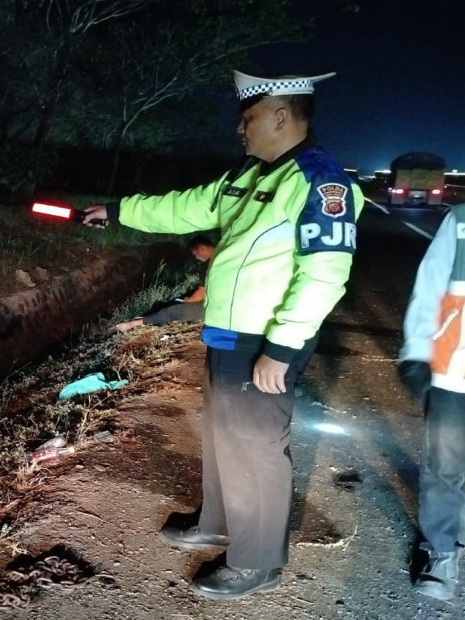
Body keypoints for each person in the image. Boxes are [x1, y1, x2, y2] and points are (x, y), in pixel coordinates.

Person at [82, 70, 363, 600]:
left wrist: (282, 349)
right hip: (228, 333)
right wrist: (119, 210)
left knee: (256, 449)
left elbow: (325, 273)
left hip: (267, 340)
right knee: (220, 437)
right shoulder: (252, 175)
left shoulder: (317, 180)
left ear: (281, 116)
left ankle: (257, 560)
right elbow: (188, 205)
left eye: (249, 116)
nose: (239, 127)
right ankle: (215, 521)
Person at [398, 204, 465, 600]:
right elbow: (430, 286)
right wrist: (418, 351)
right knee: (445, 468)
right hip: (455, 369)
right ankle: (442, 553)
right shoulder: (460, 219)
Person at [114, 235, 216, 332]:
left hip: (216, 308)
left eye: (196, 254)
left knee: (172, 311)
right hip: (219, 300)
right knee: (177, 300)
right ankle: (149, 316)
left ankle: (133, 324)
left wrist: (188, 301)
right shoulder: (221, 257)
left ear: (202, 248)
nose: (197, 258)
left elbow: (201, 293)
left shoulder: (210, 264)